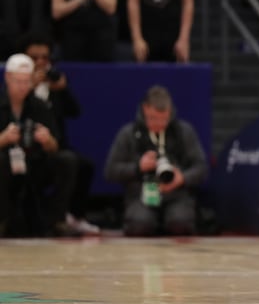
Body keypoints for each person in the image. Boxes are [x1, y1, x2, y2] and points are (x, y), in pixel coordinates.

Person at [22, 34, 100, 235]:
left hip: (55, 147)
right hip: (26, 149)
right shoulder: (19, 85)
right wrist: (28, 87)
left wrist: (63, 90)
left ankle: (72, 216)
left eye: (45, 57)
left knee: (82, 164)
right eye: (34, 57)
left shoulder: (55, 87)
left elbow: (75, 111)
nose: (40, 62)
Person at [104, 85, 208, 236]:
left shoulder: (184, 132)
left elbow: (201, 167)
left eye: (163, 119)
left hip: (176, 195)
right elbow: (110, 171)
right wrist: (138, 167)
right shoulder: (129, 133)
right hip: (141, 194)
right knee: (139, 226)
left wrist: (182, 178)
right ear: (145, 109)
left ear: (170, 112)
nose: (158, 124)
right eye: (153, 118)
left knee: (180, 224)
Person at [0, 54, 79, 237]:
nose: (22, 87)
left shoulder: (39, 106)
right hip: (5, 166)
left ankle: (56, 219)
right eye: (18, 81)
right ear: (7, 78)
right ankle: (2, 220)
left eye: (27, 81)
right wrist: (3, 139)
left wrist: (47, 140)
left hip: (34, 164)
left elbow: (55, 146)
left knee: (67, 160)